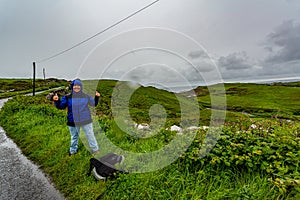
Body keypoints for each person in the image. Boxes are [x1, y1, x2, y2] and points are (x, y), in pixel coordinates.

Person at [53, 79, 100, 156]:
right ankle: (73, 152)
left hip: (86, 120)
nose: (76, 87)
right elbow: (61, 106)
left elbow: (93, 104)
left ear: (81, 87)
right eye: (75, 86)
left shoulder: (86, 96)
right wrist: (57, 101)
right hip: (72, 121)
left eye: (78, 86)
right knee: (74, 137)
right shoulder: (67, 97)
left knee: (90, 135)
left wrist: (97, 97)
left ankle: (95, 150)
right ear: (72, 87)